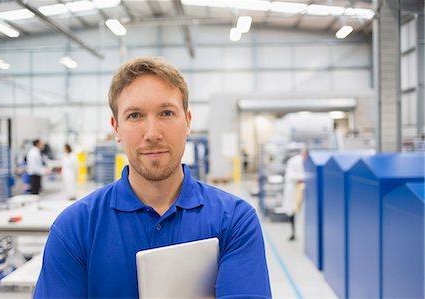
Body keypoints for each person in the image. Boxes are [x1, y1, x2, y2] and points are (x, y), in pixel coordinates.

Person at [34, 57, 272, 298]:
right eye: (135, 115)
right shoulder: (75, 228)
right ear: (116, 128)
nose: (152, 134)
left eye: (166, 113)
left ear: (187, 122)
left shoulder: (234, 220)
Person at [281, 149, 307, 241]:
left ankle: (299, 233)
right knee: (292, 211)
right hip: (293, 190)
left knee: (301, 213)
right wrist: (303, 177)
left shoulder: (307, 162)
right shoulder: (294, 161)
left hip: (302, 190)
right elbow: (290, 176)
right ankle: (293, 233)